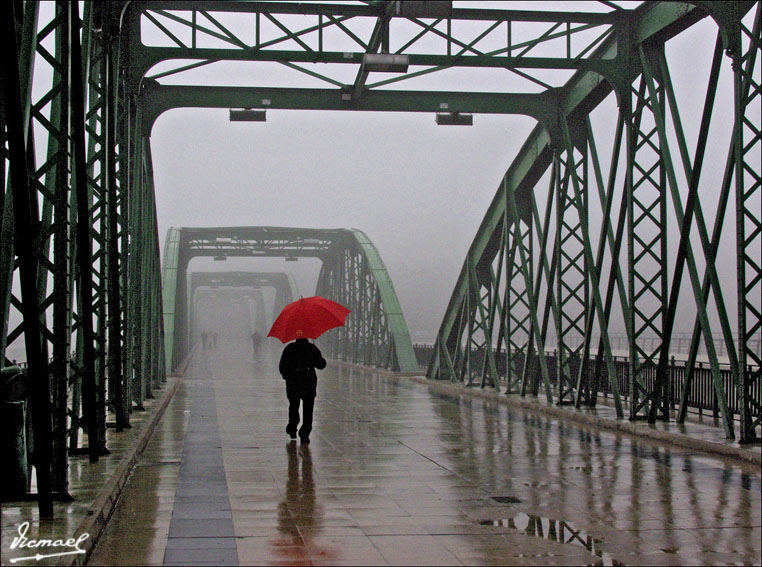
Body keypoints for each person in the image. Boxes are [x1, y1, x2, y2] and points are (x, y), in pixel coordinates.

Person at [278, 336, 326, 443]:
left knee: (293, 407)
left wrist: (288, 376)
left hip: (293, 384)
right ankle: (305, 433)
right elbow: (321, 364)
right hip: (308, 383)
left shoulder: (289, 349)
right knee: (308, 409)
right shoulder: (311, 348)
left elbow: (282, 367)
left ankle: (292, 427)